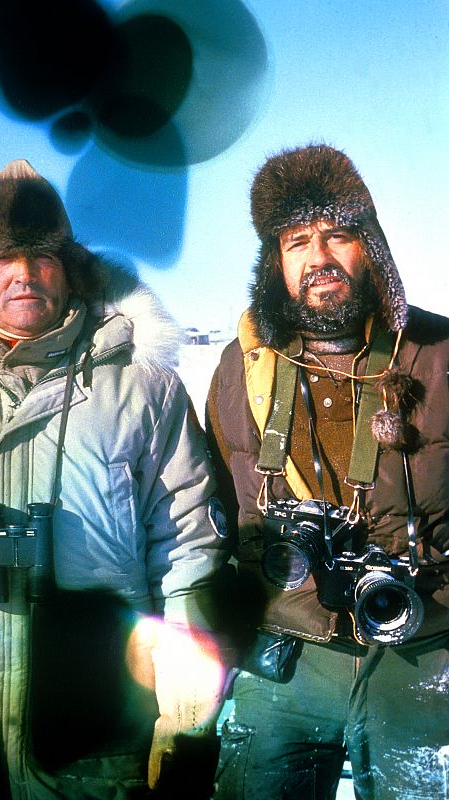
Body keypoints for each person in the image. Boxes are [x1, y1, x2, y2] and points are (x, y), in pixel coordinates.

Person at [0, 159, 228, 799]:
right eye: (3, 257)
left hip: (94, 735)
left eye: (43, 257)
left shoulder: (145, 386)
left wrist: (185, 715)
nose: (24, 274)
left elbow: (188, 549)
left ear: (70, 268)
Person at [206, 144, 449, 799]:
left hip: (422, 649)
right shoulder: (241, 369)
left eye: (337, 234)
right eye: (296, 242)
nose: (318, 258)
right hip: (286, 652)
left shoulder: (439, 355)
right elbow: (211, 520)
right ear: (274, 263)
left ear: (371, 247)